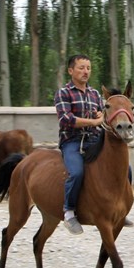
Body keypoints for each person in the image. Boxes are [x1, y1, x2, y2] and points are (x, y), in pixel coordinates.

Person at [54, 54, 105, 235]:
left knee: (125, 168)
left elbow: (101, 113)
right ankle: (69, 212)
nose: (86, 72)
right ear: (70, 71)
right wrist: (93, 122)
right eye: (81, 68)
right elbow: (66, 119)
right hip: (72, 141)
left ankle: (120, 208)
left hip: (94, 140)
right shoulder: (63, 93)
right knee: (76, 172)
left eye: (88, 68)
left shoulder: (95, 94)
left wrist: (100, 116)